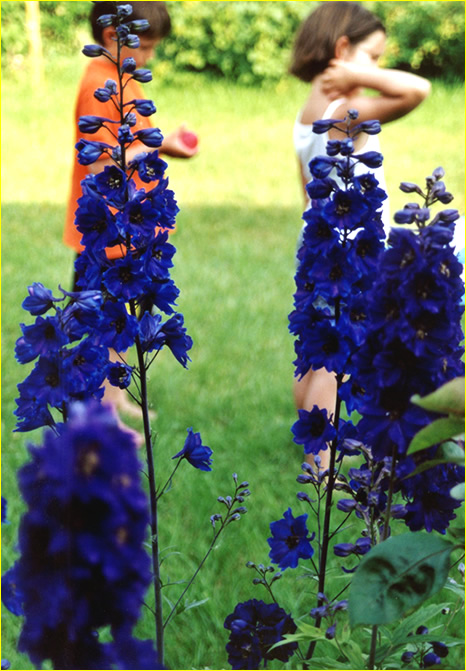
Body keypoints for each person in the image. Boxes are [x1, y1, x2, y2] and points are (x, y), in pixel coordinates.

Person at [289, 1, 431, 466]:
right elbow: (416, 90)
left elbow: (307, 196)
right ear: (343, 48)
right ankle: (322, 466)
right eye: (374, 57)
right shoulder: (344, 108)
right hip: (353, 260)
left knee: (316, 354)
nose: (379, 69)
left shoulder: (306, 113)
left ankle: (312, 443)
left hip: (319, 253)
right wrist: (355, 75)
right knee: (335, 364)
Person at [64, 1, 198, 419]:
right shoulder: (99, 82)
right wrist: (162, 145)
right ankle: (102, 417)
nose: (150, 57)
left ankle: (117, 398)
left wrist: (157, 142)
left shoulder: (123, 77)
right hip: (106, 230)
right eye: (146, 46)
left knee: (120, 320)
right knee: (103, 323)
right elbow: (102, 165)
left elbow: (133, 138)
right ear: (112, 38)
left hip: (131, 227)